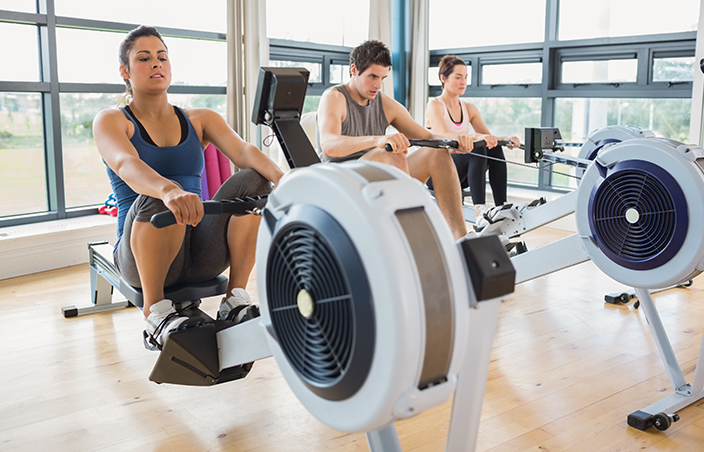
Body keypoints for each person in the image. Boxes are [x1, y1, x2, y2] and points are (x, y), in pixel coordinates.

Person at [93, 25, 284, 349]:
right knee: (154, 197)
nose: (156, 64)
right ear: (125, 71)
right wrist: (168, 190)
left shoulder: (199, 119)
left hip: (200, 253)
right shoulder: (112, 120)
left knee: (254, 182)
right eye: (144, 58)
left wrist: (286, 180)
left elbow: (243, 151)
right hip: (143, 257)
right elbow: (126, 164)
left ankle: (234, 299)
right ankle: (154, 314)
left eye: (162, 57)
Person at [317, 40, 475, 240]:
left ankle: (461, 239)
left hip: (376, 176)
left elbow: (426, 136)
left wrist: (457, 140)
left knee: (437, 152)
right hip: (343, 182)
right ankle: (412, 238)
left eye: (382, 77)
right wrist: (378, 140)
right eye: (372, 76)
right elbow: (329, 145)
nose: (377, 85)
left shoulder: (384, 103)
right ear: (354, 70)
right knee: (391, 153)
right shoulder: (334, 97)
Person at [426, 55, 521, 223]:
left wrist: (505, 139)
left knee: (494, 147)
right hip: (437, 173)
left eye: (465, 77)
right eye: (458, 77)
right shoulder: (435, 105)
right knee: (477, 146)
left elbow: (486, 137)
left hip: (460, 175)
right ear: (443, 78)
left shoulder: (469, 108)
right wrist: (474, 137)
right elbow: (442, 135)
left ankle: (501, 206)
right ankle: (480, 210)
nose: (463, 82)